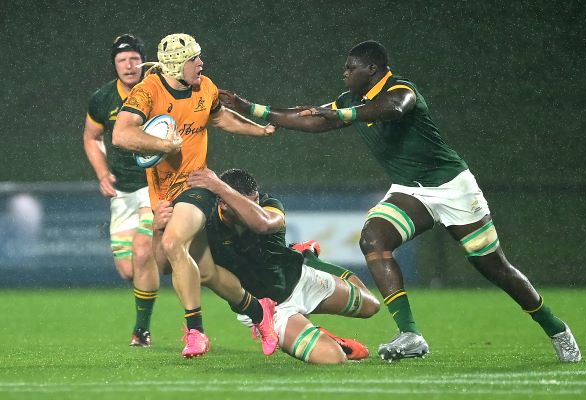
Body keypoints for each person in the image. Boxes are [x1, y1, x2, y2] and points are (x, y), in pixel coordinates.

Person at [217, 40, 582, 363]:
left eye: (351, 68)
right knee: (373, 238)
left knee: (495, 269)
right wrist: (250, 107)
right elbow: (310, 120)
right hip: (410, 189)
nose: (344, 74)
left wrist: (344, 114)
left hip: (453, 188)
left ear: (372, 69)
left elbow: (394, 108)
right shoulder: (352, 101)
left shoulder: (401, 88)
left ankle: (555, 328)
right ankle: (411, 334)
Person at [113, 33, 277, 358]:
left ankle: (195, 332)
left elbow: (220, 118)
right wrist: (164, 145)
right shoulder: (148, 92)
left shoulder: (206, 88)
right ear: (176, 64)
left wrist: (258, 129)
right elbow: (121, 134)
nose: (200, 63)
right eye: (193, 59)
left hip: (198, 184)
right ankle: (261, 313)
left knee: (174, 244)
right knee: (205, 272)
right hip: (164, 195)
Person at [177, 167, 380, 363]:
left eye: (255, 200)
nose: (255, 206)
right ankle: (324, 337)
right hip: (270, 309)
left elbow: (263, 223)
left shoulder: (269, 205)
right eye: (242, 202)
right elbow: (171, 261)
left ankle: (309, 258)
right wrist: (162, 226)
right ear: (223, 203)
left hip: (300, 278)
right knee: (333, 357)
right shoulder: (207, 220)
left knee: (372, 306)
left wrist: (220, 187)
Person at [83, 34, 159, 347]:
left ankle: (141, 331)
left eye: (133, 58)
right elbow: (91, 137)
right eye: (121, 60)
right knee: (129, 269)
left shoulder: (159, 91)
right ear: (114, 65)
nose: (128, 65)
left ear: (143, 60)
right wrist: (102, 173)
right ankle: (170, 258)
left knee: (142, 252)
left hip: (154, 186)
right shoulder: (102, 99)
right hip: (123, 194)